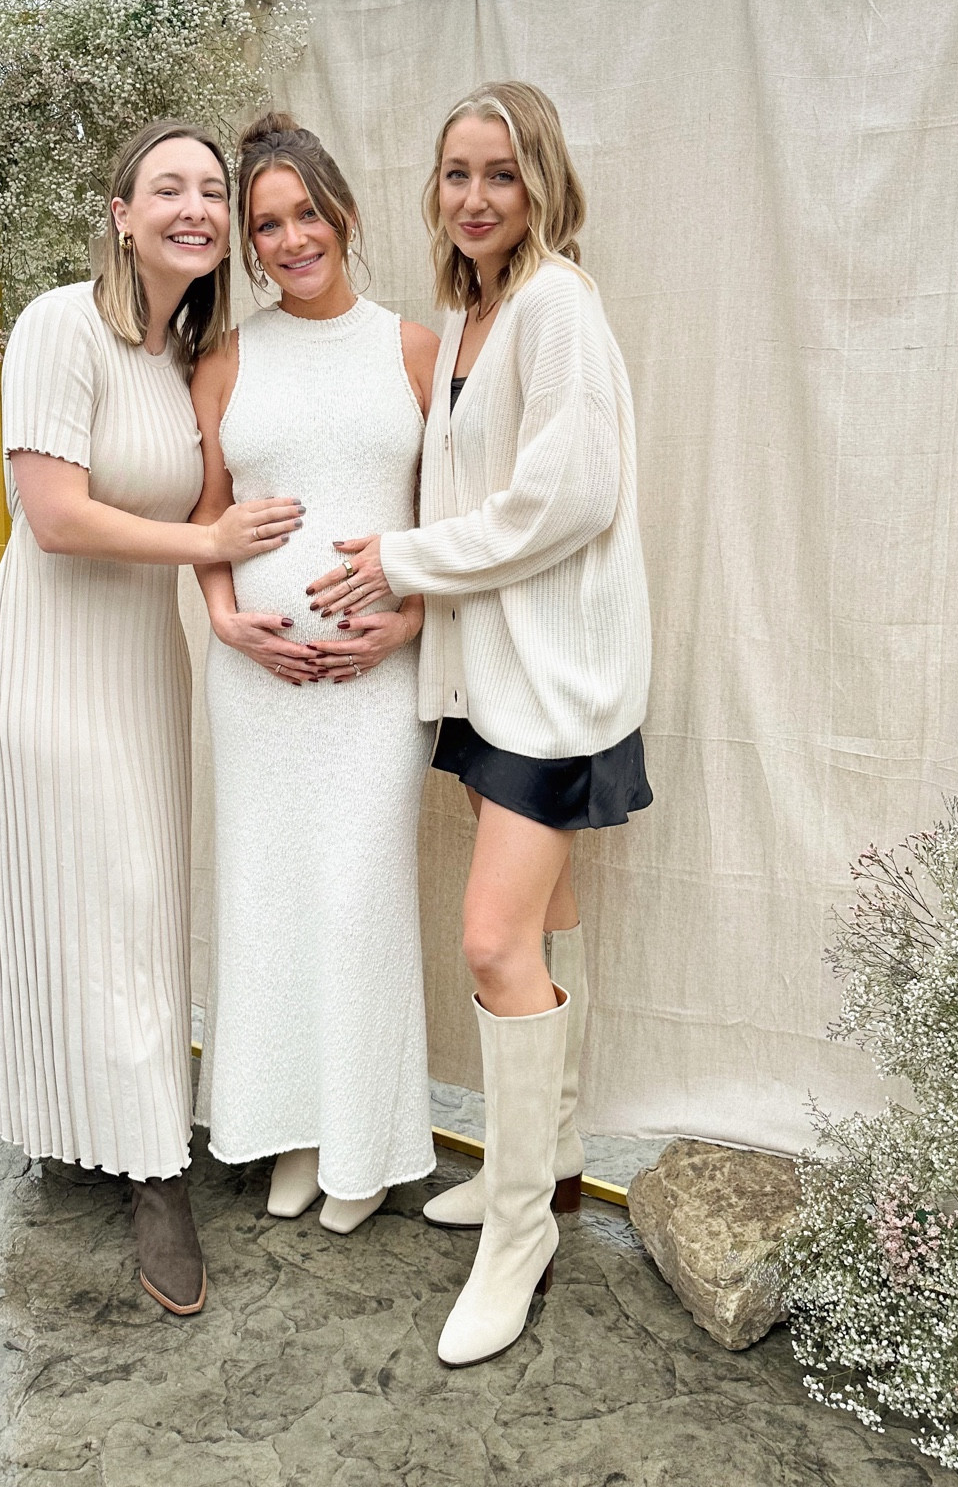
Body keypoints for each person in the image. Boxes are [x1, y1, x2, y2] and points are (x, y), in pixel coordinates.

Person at [307, 80, 651, 1366]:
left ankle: (518, 1236)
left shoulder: (557, 305)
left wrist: (398, 560)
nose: (475, 196)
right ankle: (546, 1166)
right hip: (487, 678)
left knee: (493, 942)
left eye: (499, 173)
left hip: (552, 686)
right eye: (456, 174)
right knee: (548, 925)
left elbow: (566, 498)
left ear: (540, 182)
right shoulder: (470, 316)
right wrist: (414, 605)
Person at [0, 119, 304, 1318]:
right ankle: (157, 1173)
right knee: (94, 885)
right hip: (55, 654)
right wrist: (207, 544)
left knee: (144, 892)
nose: (195, 207)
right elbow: (53, 516)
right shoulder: (60, 324)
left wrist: (234, 589)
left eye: (211, 191)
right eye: (167, 187)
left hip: (144, 658)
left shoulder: (189, 358)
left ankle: (101, 1116)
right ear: (119, 211)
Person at [190, 112, 441, 1232]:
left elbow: (456, 523)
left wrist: (410, 622)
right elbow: (205, 520)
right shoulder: (227, 359)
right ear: (249, 247)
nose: (291, 240)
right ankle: (288, 1133)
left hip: (371, 691)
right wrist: (223, 620)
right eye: (266, 227)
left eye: (305, 215)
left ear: (342, 213)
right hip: (257, 691)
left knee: (356, 905)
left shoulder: (416, 351)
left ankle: (367, 1149)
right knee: (271, 903)